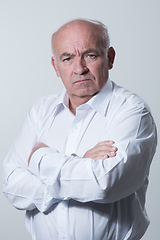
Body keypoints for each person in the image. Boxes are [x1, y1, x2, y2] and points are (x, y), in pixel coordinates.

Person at [3, 19, 157, 240]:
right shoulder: (40, 112)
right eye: (68, 58)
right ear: (56, 66)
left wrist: (40, 159)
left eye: (90, 55)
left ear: (110, 58)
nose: (79, 68)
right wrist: (82, 162)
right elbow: (11, 184)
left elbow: (104, 184)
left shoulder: (133, 112)